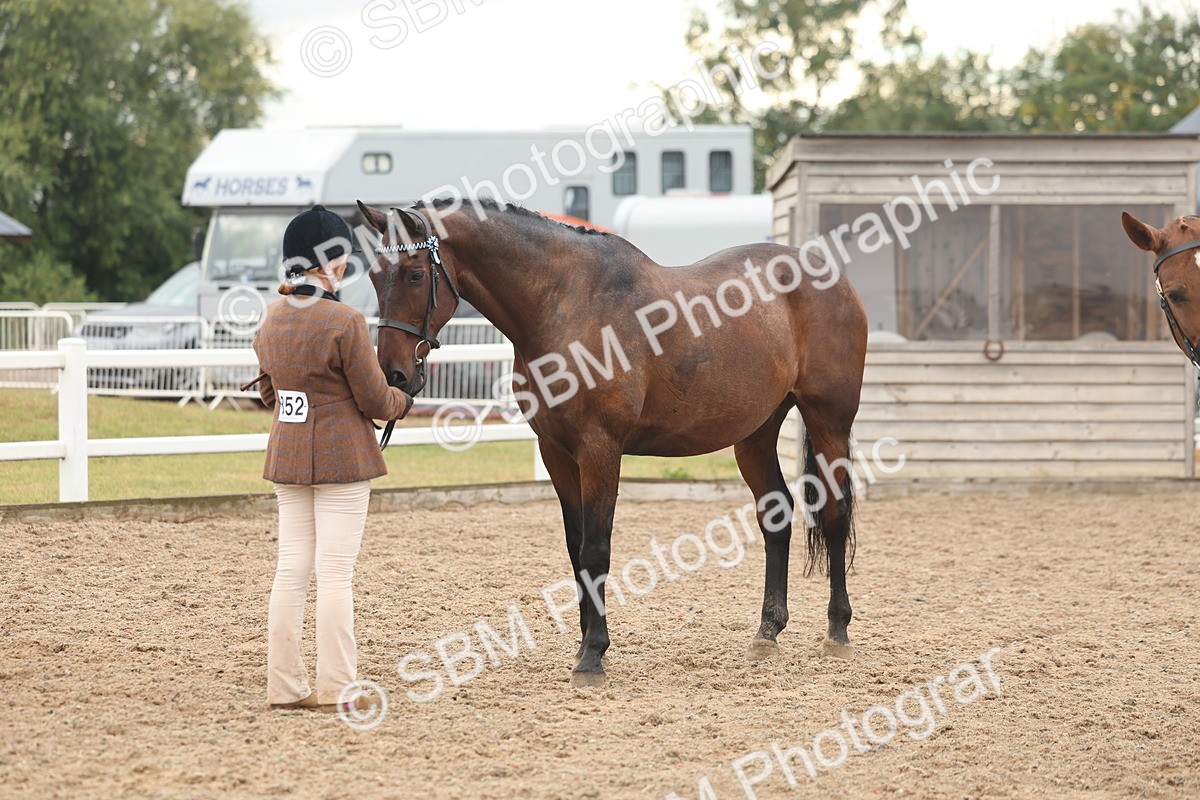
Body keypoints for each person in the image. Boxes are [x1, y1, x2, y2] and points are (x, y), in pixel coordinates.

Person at [251, 205, 412, 711]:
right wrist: (404, 400)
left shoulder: (271, 318)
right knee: (336, 572)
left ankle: (284, 687)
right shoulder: (345, 321)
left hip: (288, 458)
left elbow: (270, 394)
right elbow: (373, 399)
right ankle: (338, 687)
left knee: (291, 571)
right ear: (334, 261)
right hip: (342, 463)